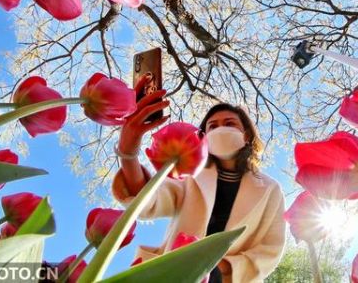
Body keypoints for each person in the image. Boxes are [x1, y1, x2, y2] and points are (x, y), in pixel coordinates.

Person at [111, 76, 286, 283]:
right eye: (213, 127)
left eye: (229, 124)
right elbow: (149, 199)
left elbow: (270, 248)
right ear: (203, 138)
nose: (221, 129)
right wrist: (128, 152)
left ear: (246, 136)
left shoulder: (270, 189)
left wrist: (215, 264)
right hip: (172, 275)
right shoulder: (189, 176)